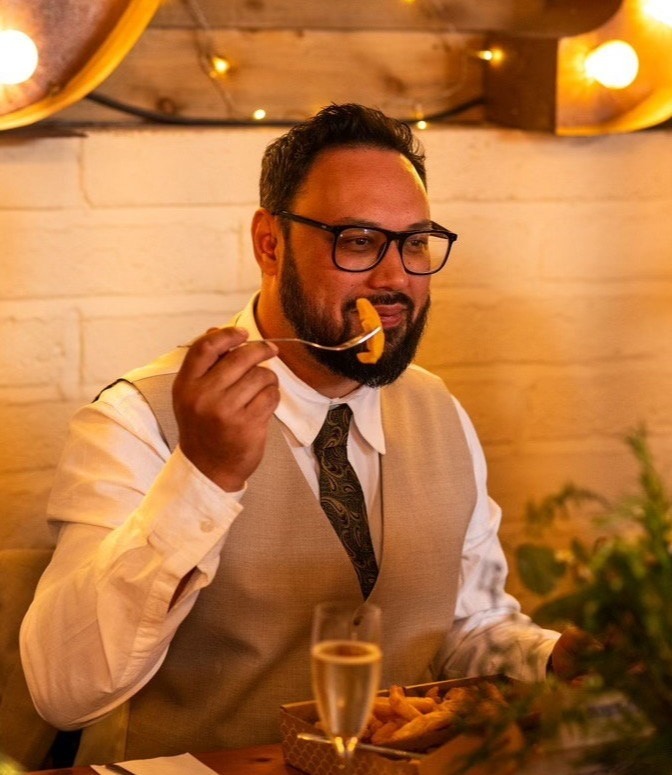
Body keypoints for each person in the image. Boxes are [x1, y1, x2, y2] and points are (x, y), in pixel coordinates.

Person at [20, 104, 582, 764]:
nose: (396, 277)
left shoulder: (440, 410)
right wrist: (203, 477)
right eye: (359, 240)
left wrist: (552, 659)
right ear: (270, 243)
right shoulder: (138, 418)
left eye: (415, 242)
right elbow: (63, 693)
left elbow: (469, 624)